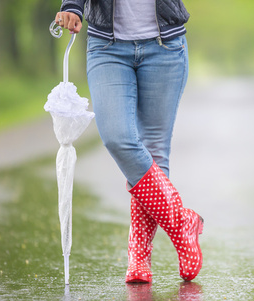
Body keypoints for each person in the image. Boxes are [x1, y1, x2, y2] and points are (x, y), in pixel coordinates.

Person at [55, 0, 203, 283]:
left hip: (165, 45)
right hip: (107, 46)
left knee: (155, 150)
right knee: (116, 137)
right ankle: (182, 223)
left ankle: (139, 257)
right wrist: (72, 4)